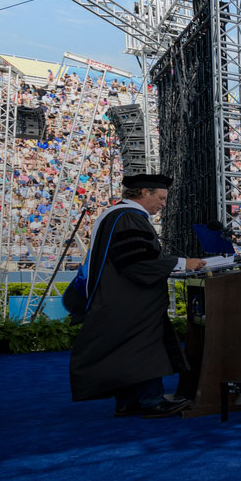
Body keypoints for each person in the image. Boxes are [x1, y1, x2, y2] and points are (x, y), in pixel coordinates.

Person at [69, 174, 206, 417]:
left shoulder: (116, 215)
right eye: (161, 198)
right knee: (145, 348)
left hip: (118, 298)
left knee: (127, 350)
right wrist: (183, 263)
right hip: (132, 301)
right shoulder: (129, 218)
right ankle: (152, 401)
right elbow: (138, 263)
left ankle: (127, 402)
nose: (163, 204)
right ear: (144, 192)